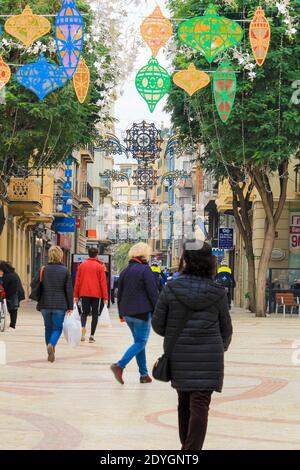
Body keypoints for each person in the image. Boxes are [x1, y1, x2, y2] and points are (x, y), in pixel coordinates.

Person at [152, 240, 233, 451]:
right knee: (200, 405)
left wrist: (175, 336)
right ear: (210, 262)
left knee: (184, 401)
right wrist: (216, 348)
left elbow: (158, 325)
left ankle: (187, 449)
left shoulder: (171, 288)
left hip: (179, 354)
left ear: (185, 260)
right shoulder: (218, 292)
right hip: (210, 357)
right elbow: (226, 329)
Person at [111, 242, 159, 385]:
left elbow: (119, 293)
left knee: (139, 342)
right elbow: (153, 293)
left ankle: (144, 375)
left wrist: (121, 313)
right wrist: (157, 311)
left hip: (128, 314)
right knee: (140, 342)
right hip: (142, 313)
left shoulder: (125, 271)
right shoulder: (145, 270)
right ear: (144, 255)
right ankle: (119, 365)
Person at [31, 246, 73, 363]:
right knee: (57, 328)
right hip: (60, 304)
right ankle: (52, 344)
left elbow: (33, 283)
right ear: (61, 256)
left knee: (48, 328)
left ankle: (49, 349)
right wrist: (70, 306)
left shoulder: (43, 269)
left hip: (44, 303)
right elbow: (69, 289)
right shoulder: (65, 271)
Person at [74, 247, 108, 343]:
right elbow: (103, 283)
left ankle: (83, 327)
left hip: (84, 293)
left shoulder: (82, 266)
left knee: (84, 312)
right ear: (97, 254)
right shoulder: (100, 266)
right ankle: (92, 336)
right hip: (96, 294)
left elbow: (77, 281)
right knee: (94, 314)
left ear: (88, 254)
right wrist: (105, 297)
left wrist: (75, 295)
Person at [0, 261, 25, 330]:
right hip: (14, 292)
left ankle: (12, 325)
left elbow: (5, 286)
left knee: (13, 309)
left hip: (14, 293)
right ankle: (12, 325)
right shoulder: (11, 273)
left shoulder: (8, 275)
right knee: (12, 309)